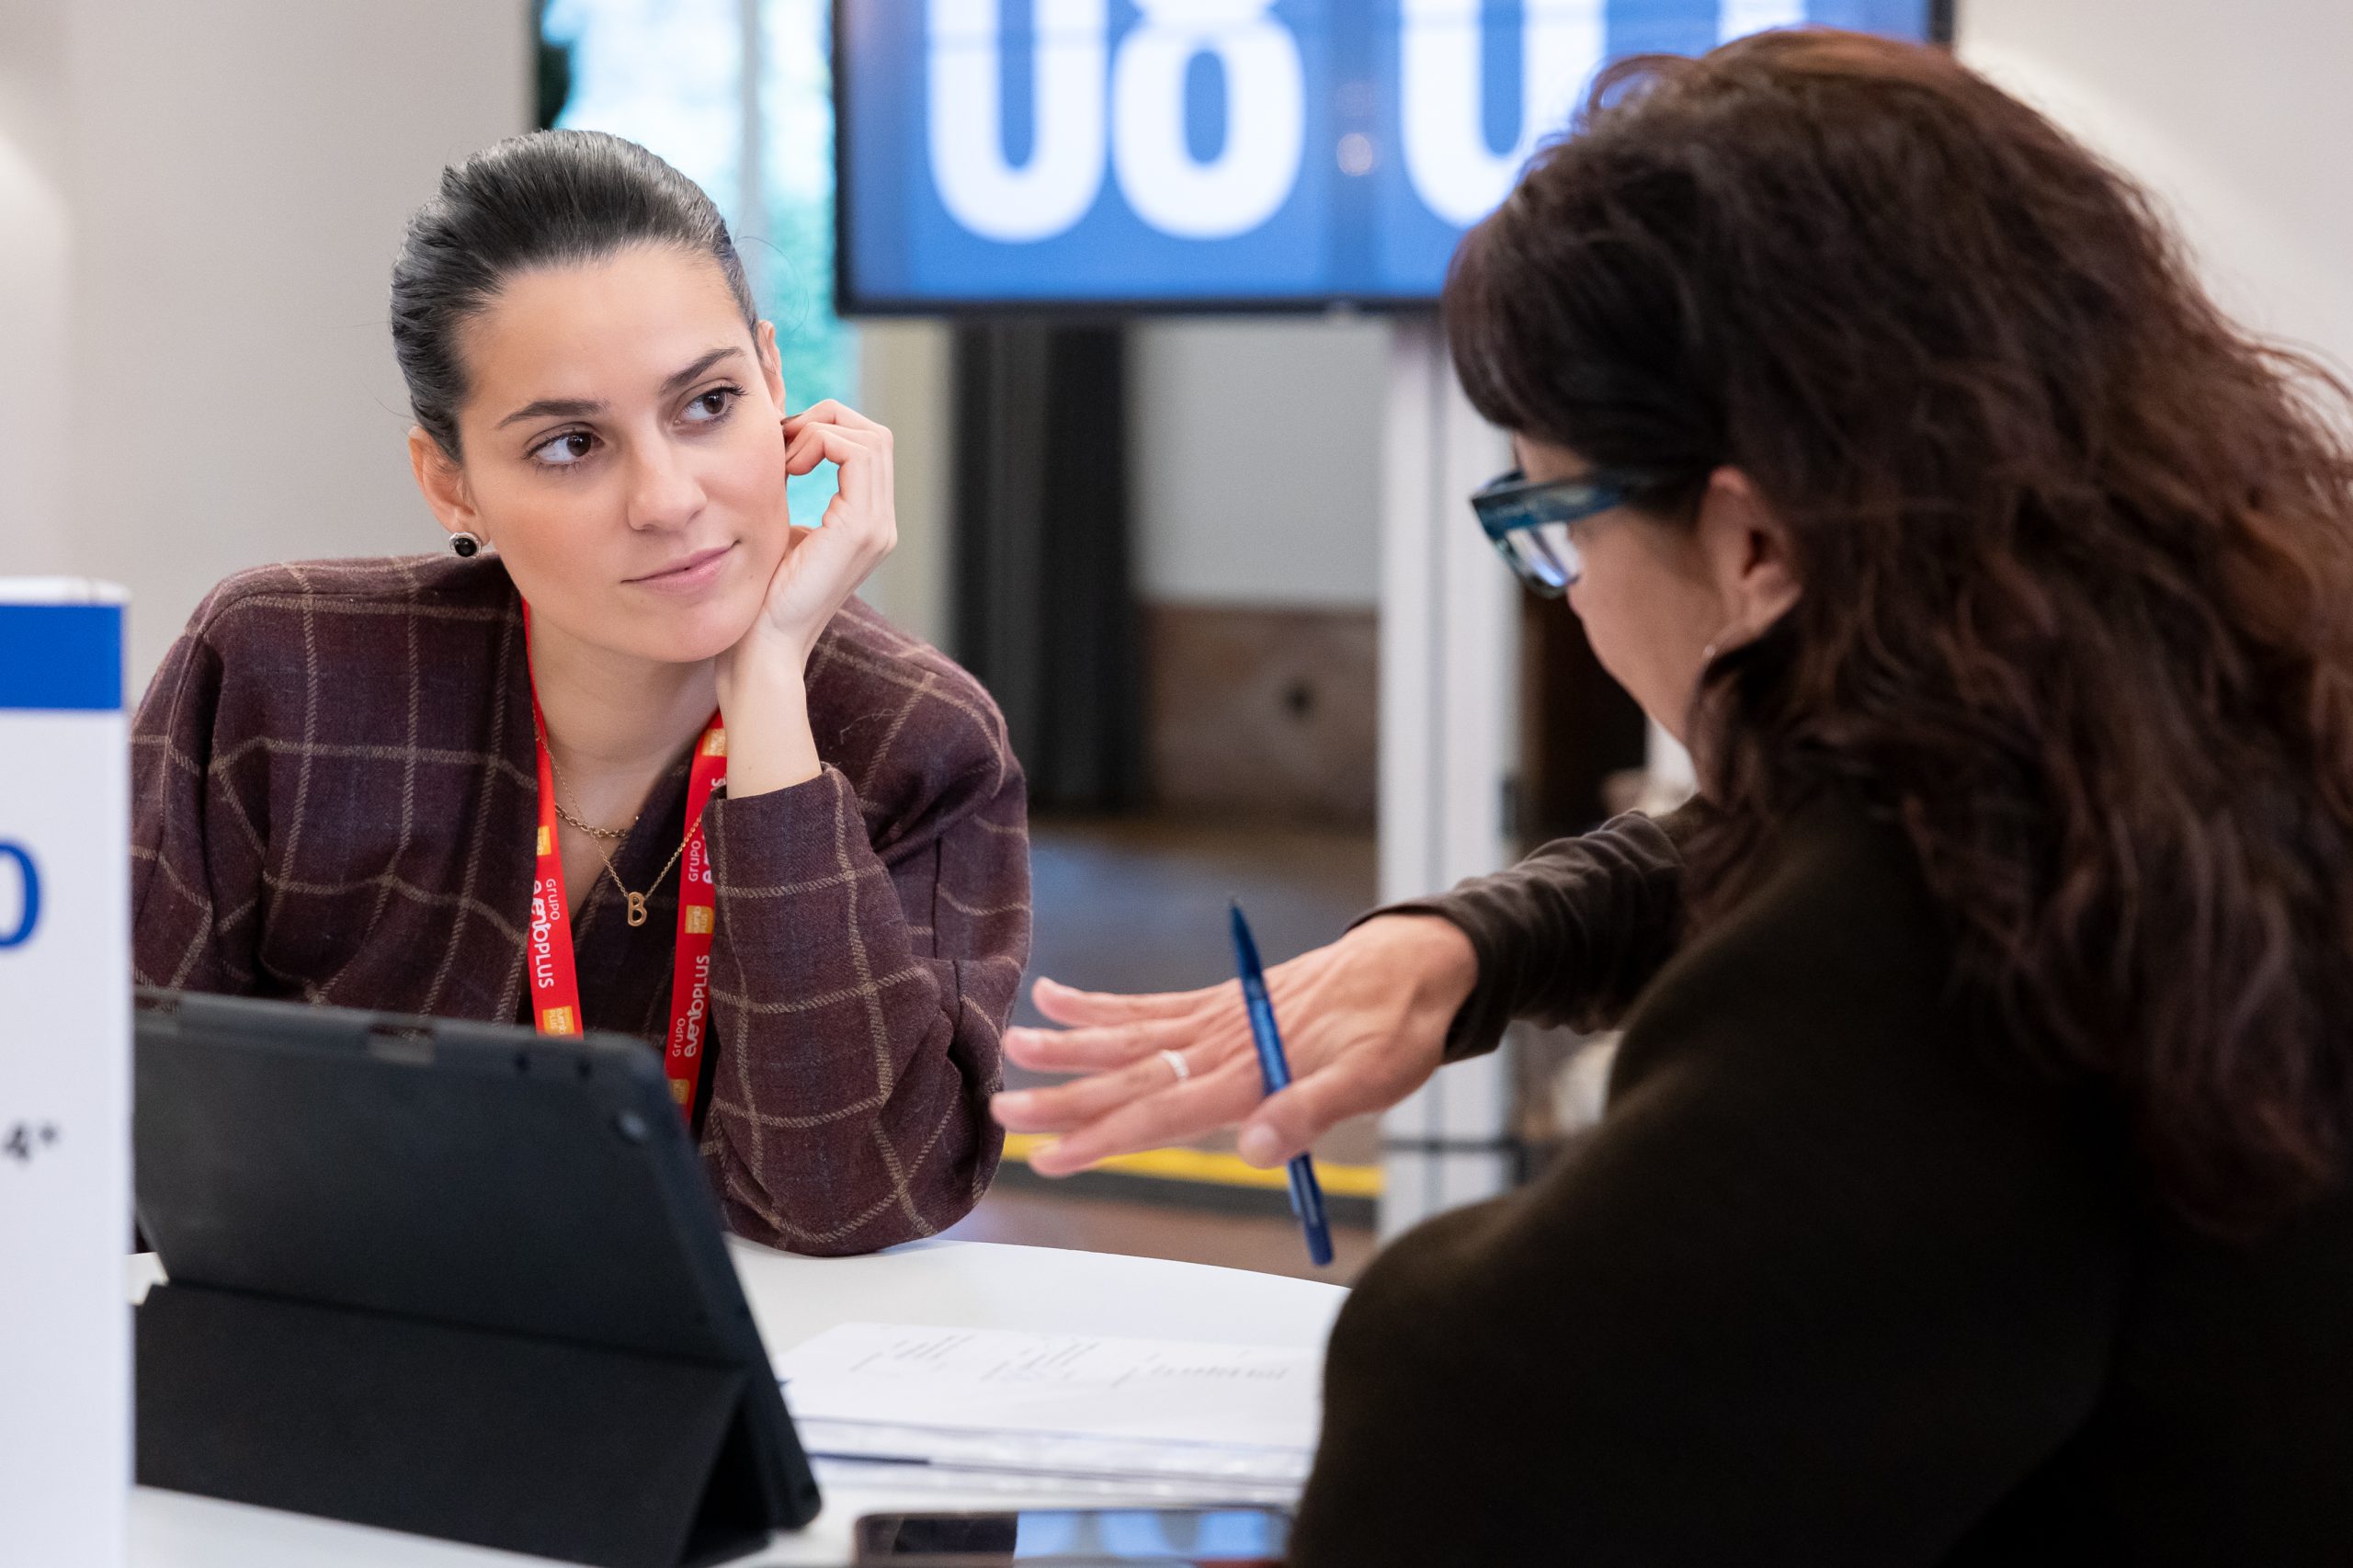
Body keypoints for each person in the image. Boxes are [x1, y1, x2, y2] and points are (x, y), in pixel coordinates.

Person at [994, 30, 2353, 1564]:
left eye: (1556, 526)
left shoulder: (1952, 950)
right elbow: (1788, 842)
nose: (1570, 594)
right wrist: (1475, 943)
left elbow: (1466, 1433)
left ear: (1755, 547)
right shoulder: (2220, 724)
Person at [131, 130, 1029, 1256]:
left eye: (708, 402)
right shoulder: (283, 668)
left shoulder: (918, 739)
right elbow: (91, 1102)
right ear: (451, 483)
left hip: (731, 1360)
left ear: (775, 382)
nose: (668, 499)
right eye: (569, 444)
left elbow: (847, 1193)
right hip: (319, 1333)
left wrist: (768, 691)